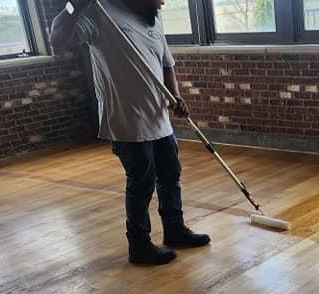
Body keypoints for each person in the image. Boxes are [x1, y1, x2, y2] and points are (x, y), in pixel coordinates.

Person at [50, 0, 210, 265]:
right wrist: (73, 7)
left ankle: (174, 229)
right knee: (141, 182)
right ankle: (139, 244)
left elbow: (166, 63)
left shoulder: (153, 19)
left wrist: (176, 97)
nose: (163, 1)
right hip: (127, 122)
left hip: (159, 118)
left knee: (170, 175)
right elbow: (58, 42)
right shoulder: (100, 14)